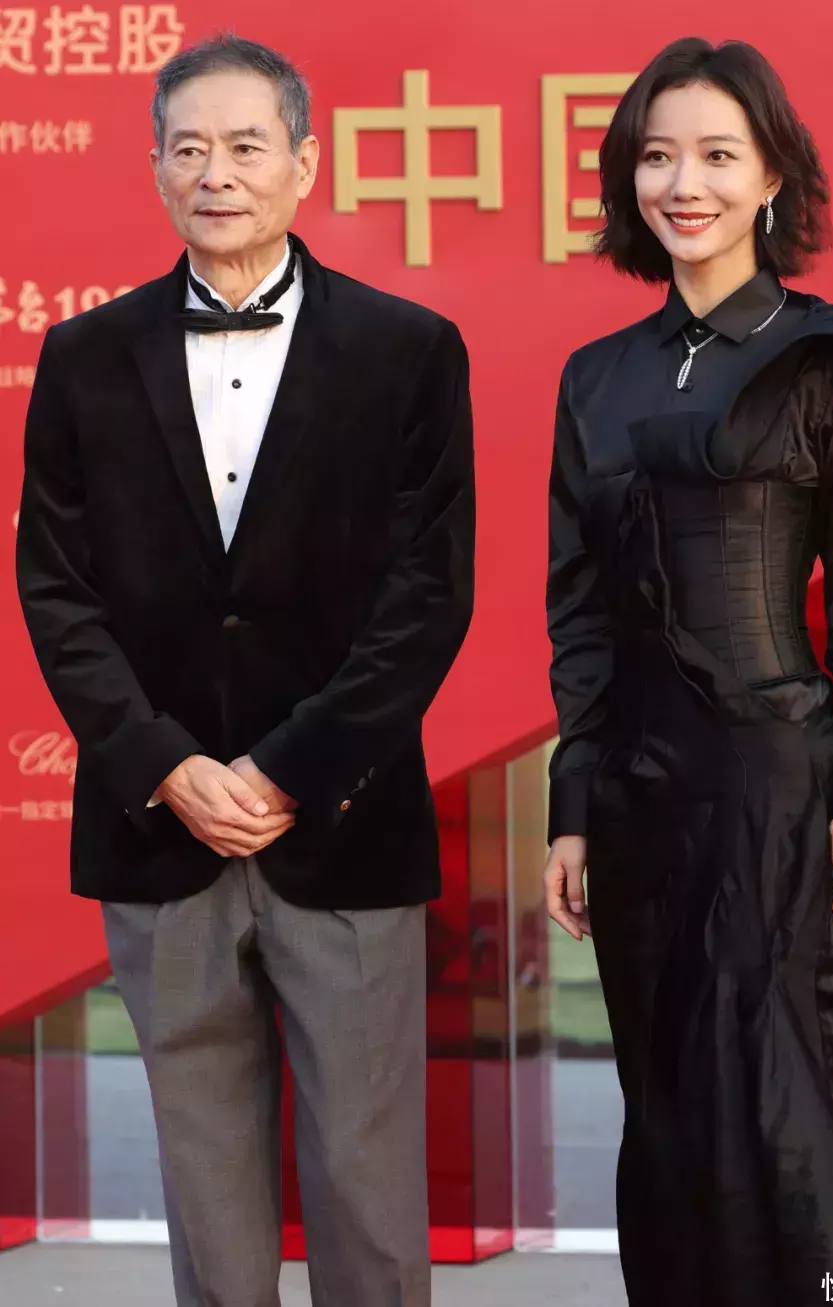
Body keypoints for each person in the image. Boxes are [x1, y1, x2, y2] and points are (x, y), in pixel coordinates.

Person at [542, 37, 833, 1307]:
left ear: (770, 179)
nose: (682, 183)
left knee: (794, 1091)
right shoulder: (595, 377)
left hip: (782, 787)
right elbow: (580, 614)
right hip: (637, 802)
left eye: (715, 155)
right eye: (657, 157)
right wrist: (574, 804)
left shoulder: (828, 361)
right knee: (670, 1104)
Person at [16, 35, 473, 1307]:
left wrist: (289, 767)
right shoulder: (84, 355)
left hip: (344, 825)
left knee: (368, 1192)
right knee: (208, 1195)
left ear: (304, 164)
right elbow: (57, 590)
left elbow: (428, 595)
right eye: (189, 148)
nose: (215, 172)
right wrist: (166, 765)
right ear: (156, 169)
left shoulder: (406, 349)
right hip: (161, 834)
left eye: (245, 146)